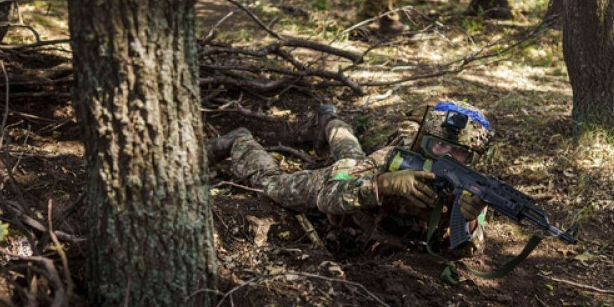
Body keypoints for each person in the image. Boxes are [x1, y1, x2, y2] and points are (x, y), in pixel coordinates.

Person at [206, 100, 491, 257]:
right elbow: (328, 196)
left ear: (471, 158)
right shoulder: (392, 158)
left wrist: (468, 221)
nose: (446, 157)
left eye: (459, 152)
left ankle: (329, 118)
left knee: (351, 154)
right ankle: (239, 142)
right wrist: (382, 185)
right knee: (274, 185)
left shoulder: (470, 188)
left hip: (359, 171)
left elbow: (471, 248)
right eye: (438, 146)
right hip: (342, 187)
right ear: (422, 141)